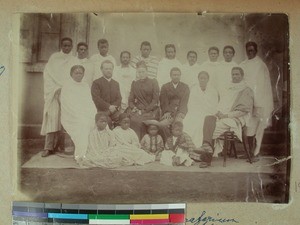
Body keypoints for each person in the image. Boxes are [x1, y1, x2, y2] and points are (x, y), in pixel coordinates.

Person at [194, 67, 254, 168]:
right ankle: (207, 147)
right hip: (223, 116)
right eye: (233, 74)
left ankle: (207, 157)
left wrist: (226, 115)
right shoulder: (229, 88)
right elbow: (222, 104)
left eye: (237, 74)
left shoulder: (246, 90)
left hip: (236, 118)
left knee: (212, 128)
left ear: (242, 76)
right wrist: (218, 113)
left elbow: (242, 111)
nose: (234, 76)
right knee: (208, 118)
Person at [40, 37, 76, 157]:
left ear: (72, 46)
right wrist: (56, 89)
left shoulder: (74, 60)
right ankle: (48, 147)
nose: (66, 48)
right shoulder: (54, 58)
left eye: (69, 46)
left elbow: (77, 76)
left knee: (66, 118)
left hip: (68, 92)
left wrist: (67, 89)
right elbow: (48, 75)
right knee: (53, 117)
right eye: (64, 45)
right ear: (61, 46)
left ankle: (63, 145)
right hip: (54, 93)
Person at [240, 41, 274, 159]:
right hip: (246, 100)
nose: (250, 52)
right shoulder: (243, 64)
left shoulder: (260, 65)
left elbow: (262, 86)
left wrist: (257, 102)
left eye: (252, 50)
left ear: (256, 51)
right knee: (248, 126)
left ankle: (255, 151)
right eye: (248, 50)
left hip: (258, 101)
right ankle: (248, 152)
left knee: (257, 127)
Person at [60, 65, 97, 164]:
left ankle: (92, 151)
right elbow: (66, 104)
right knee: (83, 124)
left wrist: (93, 113)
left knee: (93, 121)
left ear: (83, 74)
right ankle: (81, 154)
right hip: (71, 115)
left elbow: (89, 102)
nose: (78, 75)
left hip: (84, 113)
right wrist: (79, 114)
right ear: (71, 74)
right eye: (76, 73)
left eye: (80, 73)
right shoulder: (67, 86)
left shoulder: (85, 85)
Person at [184, 71, 219, 147]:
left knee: (202, 121)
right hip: (195, 112)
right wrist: (196, 112)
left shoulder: (213, 90)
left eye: (205, 78)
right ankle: (191, 145)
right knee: (189, 121)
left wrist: (206, 110)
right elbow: (190, 104)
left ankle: (202, 146)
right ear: (198, 79)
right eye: (201, 78)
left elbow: (214, 105)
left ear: (208, 79)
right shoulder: (193, 89)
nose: (203, 80)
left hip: (208, 113)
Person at [127, 61, 160, 139]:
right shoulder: (135, 83)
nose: (141, 74)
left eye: (143, 72)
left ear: (147, 71)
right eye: (139, 72)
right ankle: (134, 143)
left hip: (151, 110)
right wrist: (133, 107)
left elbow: (155, 100)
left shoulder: (153, 82)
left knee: (139, 121)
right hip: (137, 110)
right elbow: (130, 100)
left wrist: (145, 110)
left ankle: (143, 143)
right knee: (131, 119)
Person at [159, 67, 190, 139]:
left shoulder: (185, 87)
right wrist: (166, 112)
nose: (176, 76)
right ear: (171, 76)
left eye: (178, 75)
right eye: (174, 75)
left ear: (180, 76)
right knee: (162, 125)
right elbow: (163, 101)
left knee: (179, 125)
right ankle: (168, 141)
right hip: (169, 112)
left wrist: (181, 112)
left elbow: (185, 101)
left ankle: (178, 144)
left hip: (180, 112)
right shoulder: (165, 86)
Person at [91, 60, 122, 128]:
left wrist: (113, 108)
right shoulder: (96, 83)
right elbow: (96, 99)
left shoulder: (116, 83)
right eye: (106, 69)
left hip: (114, 111)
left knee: (123, 119)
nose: (108, 71)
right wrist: (109, 107)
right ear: (101, 70)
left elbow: (119, 98)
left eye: (110, 69)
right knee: (107, 122)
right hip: (101, 111)